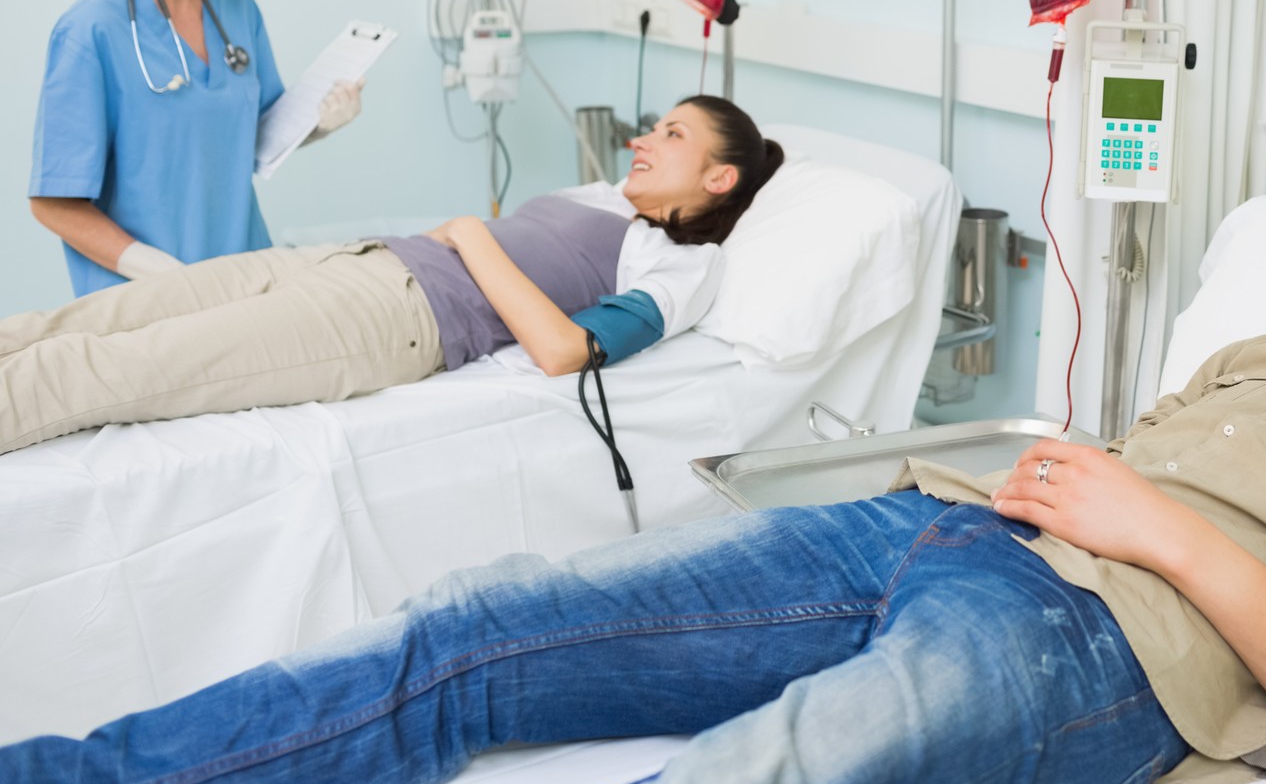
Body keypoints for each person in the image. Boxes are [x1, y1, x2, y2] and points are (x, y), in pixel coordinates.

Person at [0, 190, 1266, 784]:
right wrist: (1085, 488)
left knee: (761, 771)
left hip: (1114, 648)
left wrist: (1160, 535)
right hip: (939, 521)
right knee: (473, 629)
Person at [0, 95, 783, 456]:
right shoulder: (604, 195)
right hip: (359, 262)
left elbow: (563, 350)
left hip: (394, 320)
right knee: (79, 324)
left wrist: (473, 237)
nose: (645, 138)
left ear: (719, 179)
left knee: (103, 369)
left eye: (672, 133)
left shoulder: (681, 264)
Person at [29, 0, 367, 297]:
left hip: (247, 287)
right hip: (142, 306)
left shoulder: (236, 8)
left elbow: (249, 137)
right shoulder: (89, 33)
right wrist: (161, 273)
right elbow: (55, 203)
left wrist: (317, 123)